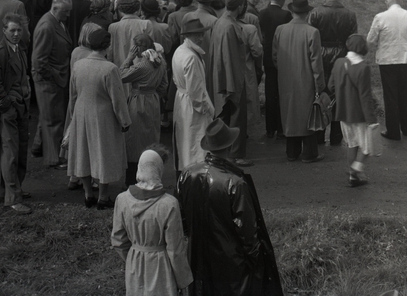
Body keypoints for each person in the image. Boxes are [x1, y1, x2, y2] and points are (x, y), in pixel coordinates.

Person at [176, 120, 284, 296]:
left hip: (197, 259)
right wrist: (256, 262)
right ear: (230, 146)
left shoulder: (187, 175)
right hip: (231, 266)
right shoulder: (235, 183)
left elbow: (182, 220)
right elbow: (248, 233)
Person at [66, 25, 132, 209]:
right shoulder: (109, 69)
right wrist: (125, 121)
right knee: (103, 154)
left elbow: (72, 94)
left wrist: (73, 116)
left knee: (83, 154)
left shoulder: (78, 65)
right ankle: (103, 196)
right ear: (107, 46)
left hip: (81, 112)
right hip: (103, 116)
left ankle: (88, 194)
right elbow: (117, 99)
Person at [111, 148, 193, 296]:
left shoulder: (122, 200)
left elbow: (118, 240)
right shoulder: (169, 204)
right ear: (159, 171)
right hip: (162, 266)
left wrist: (132, 257)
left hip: (135, 263)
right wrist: (183, 281)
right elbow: (175, 250)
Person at [0, 12, 33, 214]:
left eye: (19, 30)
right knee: (10, 154)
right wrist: (8, 107)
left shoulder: (19, 49)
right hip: (8, 112)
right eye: (12, 30)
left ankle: (13, 189)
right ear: (4, 30)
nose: (15, 34)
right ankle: (12, 198)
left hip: (20, 109)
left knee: (20, 153)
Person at [366, 0, 407, 141]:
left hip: (388, 61)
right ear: (400, 2)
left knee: (391, 96)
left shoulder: (380, 17)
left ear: (388, 2)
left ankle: (393, 131)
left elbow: (371, 39)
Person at [272, 0, 326, 163]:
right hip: (306, 79)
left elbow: (274, 56)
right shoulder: (312, 32)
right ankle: (309, 153)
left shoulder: (280, 30)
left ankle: (292, 151)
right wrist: (320, 85)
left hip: (285, 78)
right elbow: (316, 62)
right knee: (307, 114)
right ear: (307, 13)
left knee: (289, 112)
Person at [308, 0, 356, 147]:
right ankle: (336, 136)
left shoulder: (315, 13)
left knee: (320, 93)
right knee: (338, 95)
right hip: (341, 56)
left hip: (319, 56)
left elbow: (309, 38)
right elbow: (352, 41)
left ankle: (319, 133)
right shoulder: (350, 15)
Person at [329, 34, 379, 187]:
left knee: (352, 144)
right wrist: (372, 119)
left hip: (343, 112)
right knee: (367, 146)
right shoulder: (363, 68)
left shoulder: (338, 62)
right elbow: (365, 96)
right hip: (359, 114)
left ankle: (353, 177)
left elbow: (331, 86)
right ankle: (356, 169)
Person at [208, 0, 251, 165]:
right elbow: (229, 57)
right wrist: (233, 86)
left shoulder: (222, 22)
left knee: (225, 117)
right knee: (235, 117)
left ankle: (226, 153)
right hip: (231, 80)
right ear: (240, 6)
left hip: (223, 78)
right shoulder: (229, 26)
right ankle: (235, 155)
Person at [31, 0, 73, 169]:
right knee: (53, 120)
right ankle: (54, 158)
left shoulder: (56, 21)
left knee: (47, 114)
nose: (68, 15)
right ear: (55, 9)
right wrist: (54, 77)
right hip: (49, 80)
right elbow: (39, 60)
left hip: (54, 77)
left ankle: (38, 146)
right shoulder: (47, 27)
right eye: (66, 12)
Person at [121, 32, 168, 187]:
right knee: (151, 139)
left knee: (134, 142)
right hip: (153, 101)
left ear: (138, 47)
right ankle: (152, 176)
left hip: (138, 101)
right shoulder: (161, 61)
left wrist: (128, 58)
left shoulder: (142, 65)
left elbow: (120, 76)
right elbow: (164, 85)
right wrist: (154, 95)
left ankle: (132, 182)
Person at [171, 13, 214, 174]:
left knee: (186, 141)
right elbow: (196, 92)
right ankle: (195, 176)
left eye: (202, 34)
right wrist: (206, 110)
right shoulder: (191, 57)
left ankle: (186, 172)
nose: (201, 38)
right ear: (188, 35)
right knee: (195, 142)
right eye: (197, 35)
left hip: (182, 100)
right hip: (191, 104)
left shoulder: (180, 51)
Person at [256, 0, 292, 140]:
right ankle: (281, 127)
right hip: (283, 57)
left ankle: (269, 129)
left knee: (270, 93)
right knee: (282, 93)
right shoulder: (285, 15)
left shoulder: (261, 14)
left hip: (267, 57)